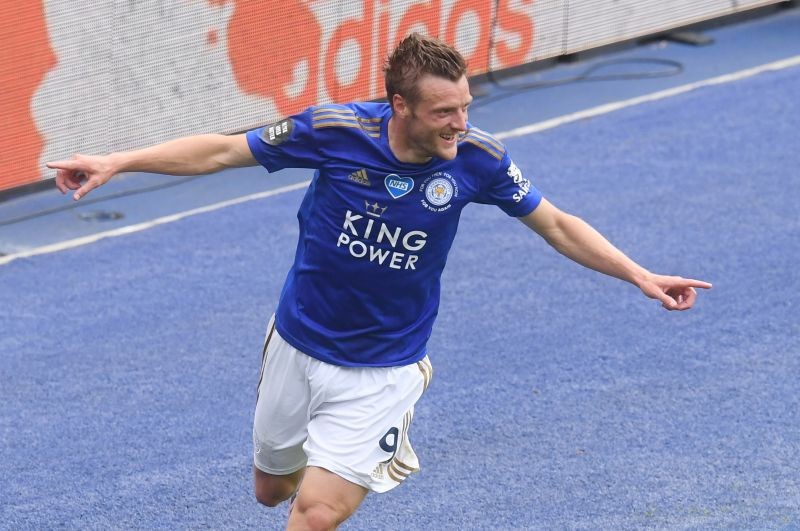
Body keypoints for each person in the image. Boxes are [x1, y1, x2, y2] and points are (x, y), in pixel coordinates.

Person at [48, 33, 711, 530]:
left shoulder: (478, 160)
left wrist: (638, 274)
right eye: (445, 112)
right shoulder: (334, 132)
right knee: (271, 491)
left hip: (383, 369)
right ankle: (329, 457)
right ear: (400, 105)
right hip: (298, 342)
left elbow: (558, 224)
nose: (461, 124)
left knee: (314, 512)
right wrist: (119, 160)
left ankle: (354, 456)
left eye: (465, 107)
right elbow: (223, 150)